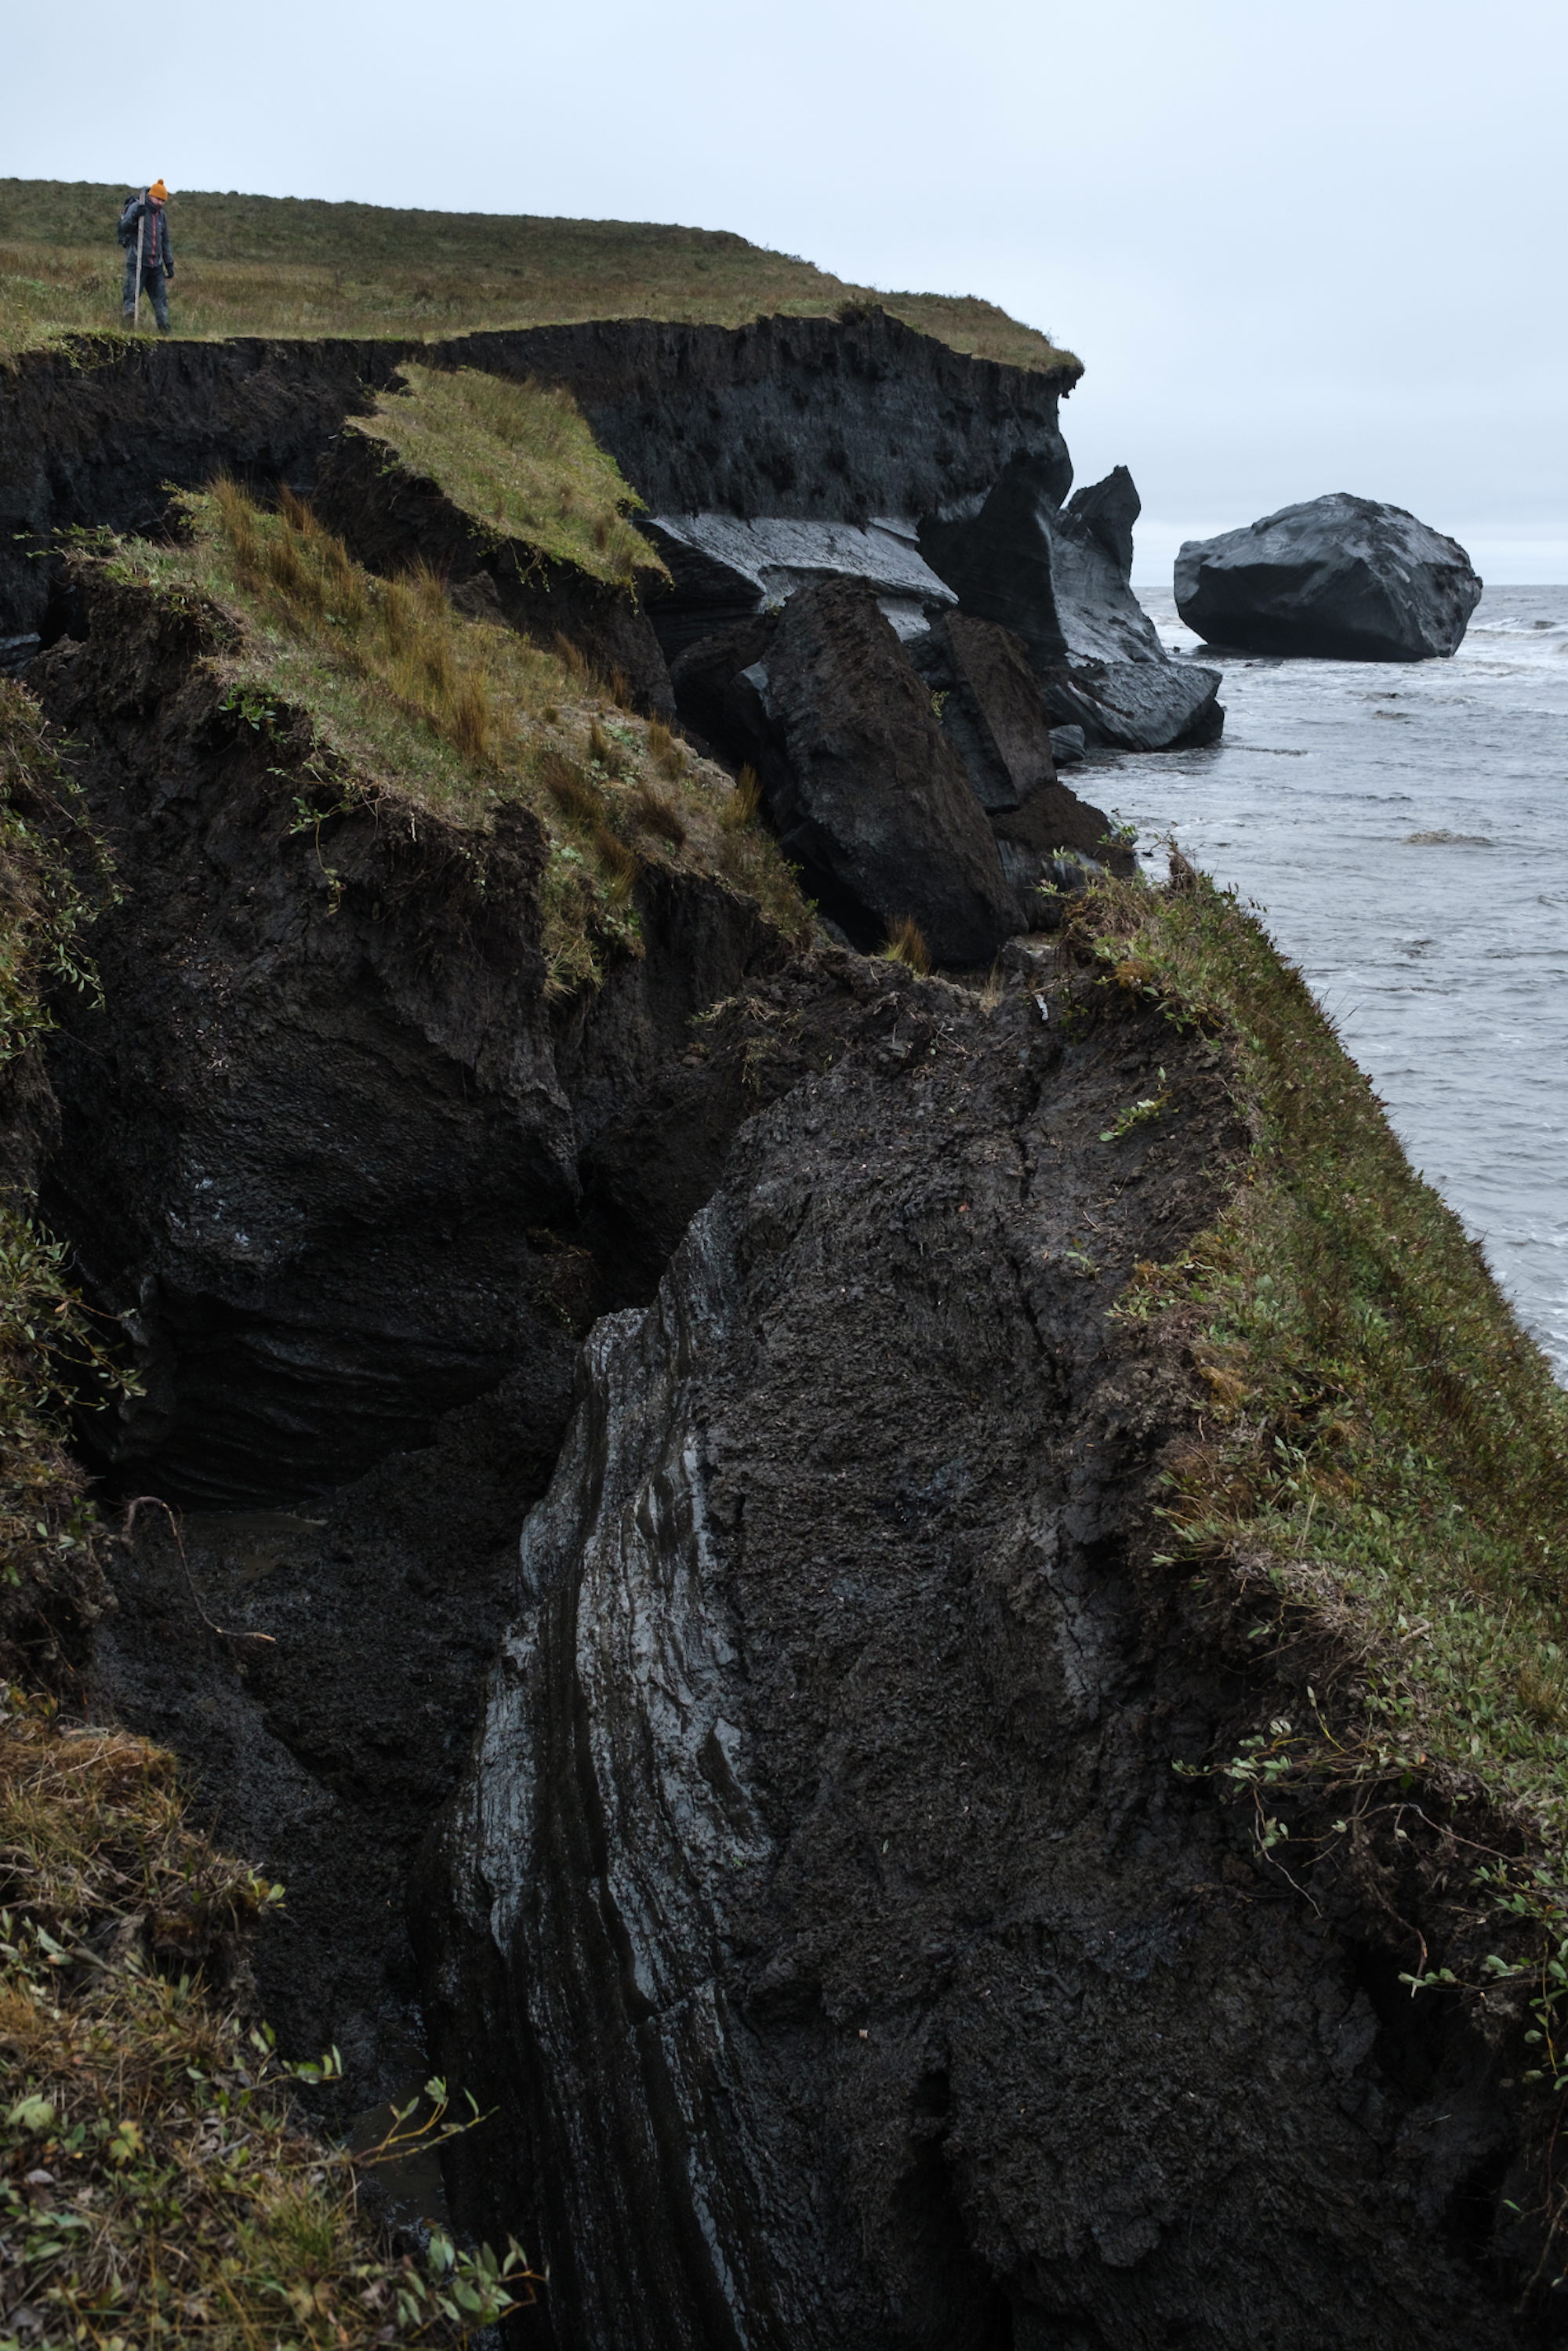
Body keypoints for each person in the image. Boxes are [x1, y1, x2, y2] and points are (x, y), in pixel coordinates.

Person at [118, 181, 175, 333]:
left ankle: (165, 335)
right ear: (151, 197)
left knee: (161, 305)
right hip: (137, 262)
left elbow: (165, 241)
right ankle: (128, 334)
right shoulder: (137, 207)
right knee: (131, 301)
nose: (161, 203)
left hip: (155, 266)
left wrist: (169, 263)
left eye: (163, 201)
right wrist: (135, 217)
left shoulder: (162, 216)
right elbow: (123, 227)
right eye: (159, 200)